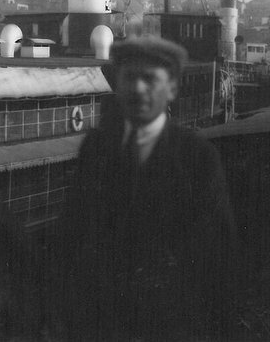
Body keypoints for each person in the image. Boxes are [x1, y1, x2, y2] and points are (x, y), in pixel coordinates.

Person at [55, 36, 237, 340]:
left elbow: (219, 252)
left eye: (150, 79)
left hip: (173, 325)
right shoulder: (97, 147)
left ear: (173, 89)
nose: (138, 88)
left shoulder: (198, 156)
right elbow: (72, 232)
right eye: (129, 77)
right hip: (103, 323)